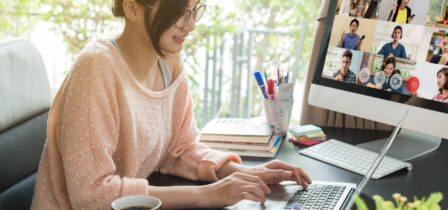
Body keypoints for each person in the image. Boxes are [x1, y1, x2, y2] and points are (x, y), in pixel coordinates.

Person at [31, 0, 312, 209]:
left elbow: (178, 148)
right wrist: (210, 195)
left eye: (193, 10)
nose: (189, 25)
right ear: (132, 7)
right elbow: (92, 196)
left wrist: (244, 173)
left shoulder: (168, 61)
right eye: (179, 13)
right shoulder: (96, 68)